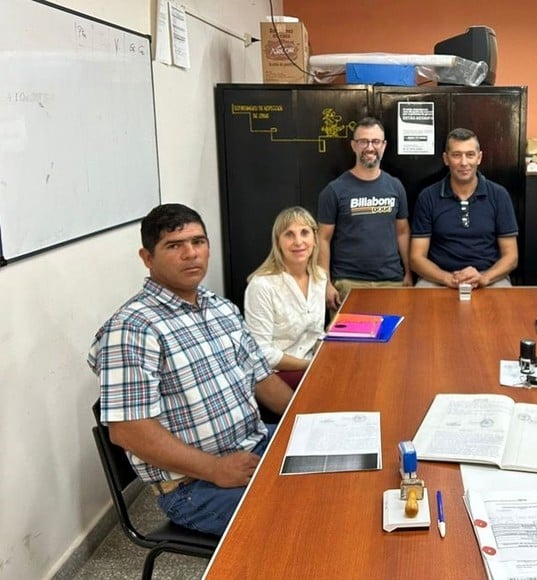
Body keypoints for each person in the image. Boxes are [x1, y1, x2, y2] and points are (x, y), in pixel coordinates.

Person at [87, 203, 293, 536]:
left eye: (198, 242)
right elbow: (128, 431)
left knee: (347, 472)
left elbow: (263, 379)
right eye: (174, 245)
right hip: (196, 485)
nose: (191, 253)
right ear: (147, 257)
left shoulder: (220, 308)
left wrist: (310, 422)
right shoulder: (132, 329)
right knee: (307, 518)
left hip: (256, 444)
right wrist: (215, 469)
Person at [317, 117, 412, 311]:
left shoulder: (395, 187)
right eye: (363, 141)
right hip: (348, 283)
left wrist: (409, 272)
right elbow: (322, 239)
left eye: (375, 141)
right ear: (354, 145)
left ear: (384, 146)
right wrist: (326, 283)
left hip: (391, 282)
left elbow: (402, 232)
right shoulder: (334, 190)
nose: (370, 147)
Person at [410, 128, 518, 288]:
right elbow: (416, 258)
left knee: (505, 302)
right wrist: (448, 279)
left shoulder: (499, 195)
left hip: (490, 278)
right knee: (421, 300)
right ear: (446, 159)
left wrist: (484, 278)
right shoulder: (428, 197)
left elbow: (511, 257)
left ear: (479, 157)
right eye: (456, 155)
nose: (464, 162)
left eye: (470, 155)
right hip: (438, 279)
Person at [245, 206, 326, 390]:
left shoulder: (319, 277)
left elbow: (316, 334)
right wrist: (310, 366)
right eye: (289, 234)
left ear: (314, 239)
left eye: (304, 232)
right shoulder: (262, 285)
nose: (298, 241)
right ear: (278, 242)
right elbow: (261, 352)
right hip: (275, 376)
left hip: (311, 365)